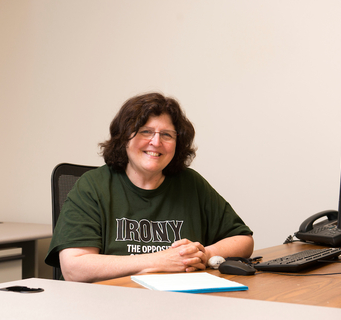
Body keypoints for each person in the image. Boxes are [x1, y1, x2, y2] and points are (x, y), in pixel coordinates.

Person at [45, 92, 253, 283]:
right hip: (108, 303)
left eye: (167, 135)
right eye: (145, 132)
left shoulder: (192, 184)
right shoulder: (92, 186)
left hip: (181, 304)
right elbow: (74, 268)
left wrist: (204, 255)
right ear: (124, 137)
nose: (156, 142)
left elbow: (243, 240)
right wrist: (158, 261)